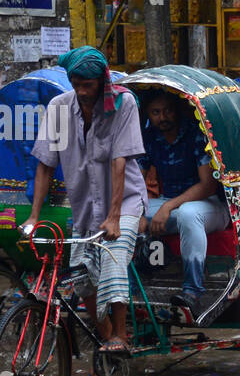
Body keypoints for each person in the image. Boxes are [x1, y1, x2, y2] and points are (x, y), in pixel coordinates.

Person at [25, 46, 148, 356]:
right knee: (80, 273)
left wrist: (115, 217)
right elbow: (45, 165)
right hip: (84, 207)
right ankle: (106, 339)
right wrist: (33, 216)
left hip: (126, 202)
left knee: (112, 258)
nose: (81, 91)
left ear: (101, 81)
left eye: (87, 85)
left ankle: (120, 333)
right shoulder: (59, 108)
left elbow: (119, 160)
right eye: (76, 83)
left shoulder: (123, 104)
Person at [138, 90, 229, 315]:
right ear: (149, 114)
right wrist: (138, 211)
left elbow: (207, 185)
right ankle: (131, 288)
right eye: (156, 112)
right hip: (170, 203)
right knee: (126, 216)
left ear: (176, 110)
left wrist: (168, 207)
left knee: (188, 213)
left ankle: (193, 291)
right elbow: (136, 179)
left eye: (167, 110)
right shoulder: (149, 137)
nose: (163, 117)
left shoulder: (196, 133)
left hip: (210, 205)